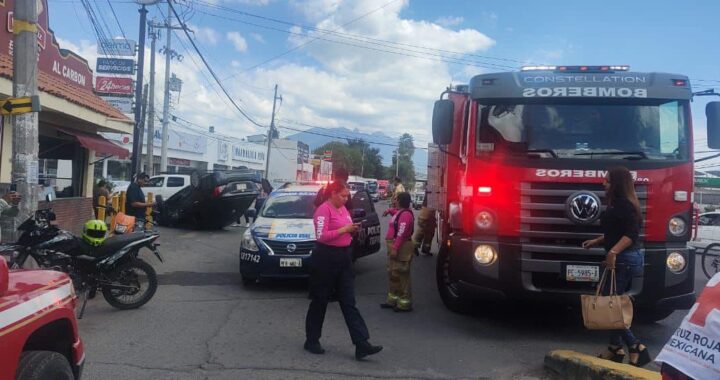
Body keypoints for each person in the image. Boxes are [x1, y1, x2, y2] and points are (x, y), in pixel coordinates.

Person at [304, 181, 382, 360]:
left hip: (344, 258)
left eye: (347, 196)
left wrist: (352, 230)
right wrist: (344, 229)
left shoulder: (343, 210)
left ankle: (361, 343)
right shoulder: (324, 210)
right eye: (343, 195)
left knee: (348, 301)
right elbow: (321, 236)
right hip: (325, 259)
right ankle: (312, 340)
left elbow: (344, 229)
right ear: (332, 193)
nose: (346, 199)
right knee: (320, 301)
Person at [582, 166, 650, 367]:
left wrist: (613, 252)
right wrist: (598, 240)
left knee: (609, 304)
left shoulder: (624, 205)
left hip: (624, 259)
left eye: (607, 181)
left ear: (617, 184)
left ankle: (635, 345)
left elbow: (631, 235)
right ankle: (615, 348)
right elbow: (617, 231)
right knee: (613, 302)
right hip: (624, 257)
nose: (604, 183)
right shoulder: (618, 204)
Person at [380, 192, 415, 311]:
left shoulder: (405, 215)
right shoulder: (400, 212)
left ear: (400, 201)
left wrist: (395, 247)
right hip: (395, 245)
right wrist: (389, 211)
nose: (394, 201)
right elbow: (395, 213)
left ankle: (404, 303)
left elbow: (401, 232)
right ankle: (393, 299)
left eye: (396, 199)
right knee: (393, 273)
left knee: (402, 274)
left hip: (401, 247)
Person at [412, 192, 436, 256]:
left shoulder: (434, 185)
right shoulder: (432, 185)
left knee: (430, 232)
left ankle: (426, 249)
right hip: (427, 209)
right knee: (422, 229)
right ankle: (414, 247)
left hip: (431, 210)